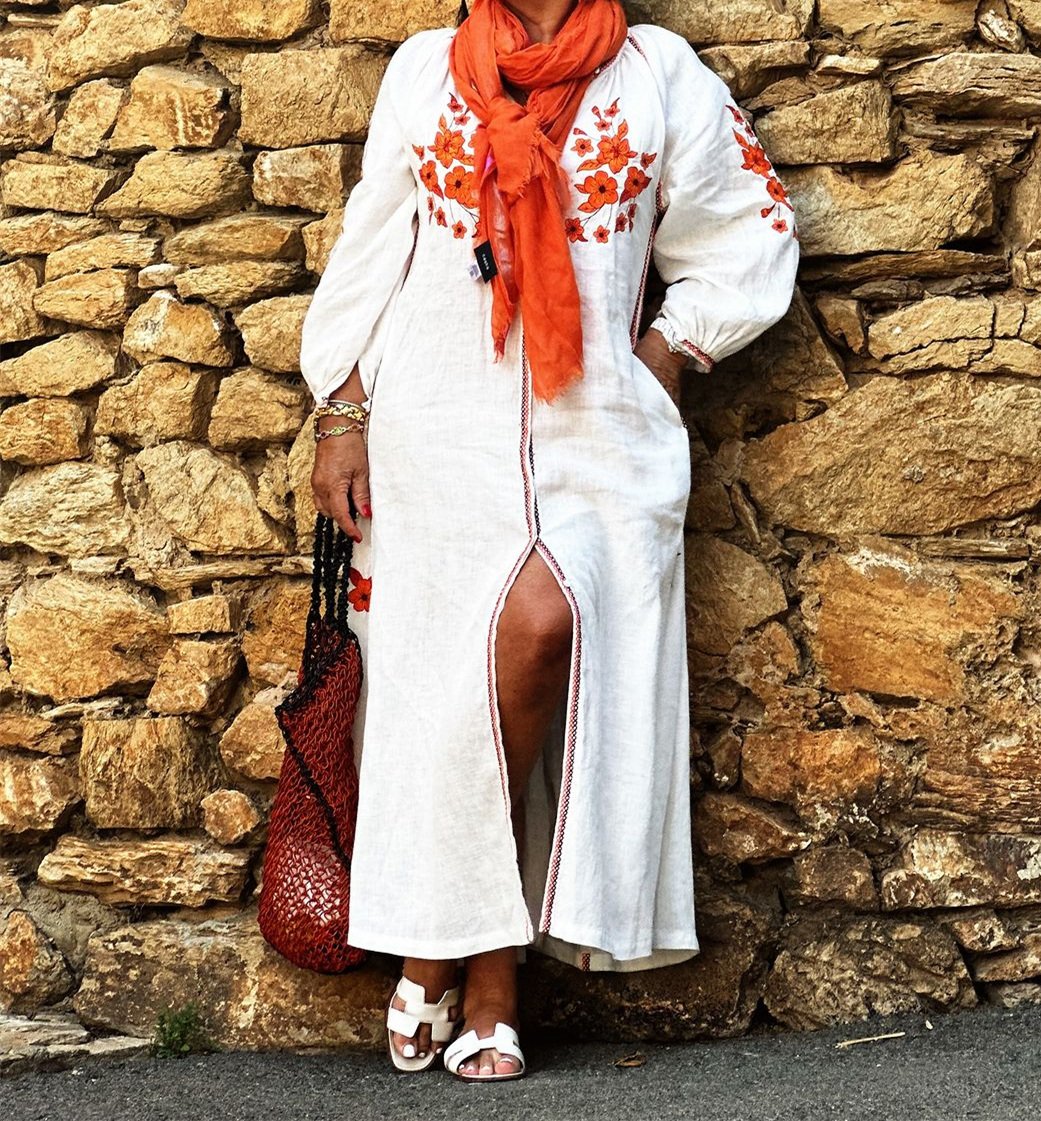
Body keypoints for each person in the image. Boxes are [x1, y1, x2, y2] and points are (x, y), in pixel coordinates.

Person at [298, 0, 799, 1082]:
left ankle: (435, 940)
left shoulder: (660, 74)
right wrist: (340, 410)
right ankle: (487, 972)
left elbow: (751, 229)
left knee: (540, 629)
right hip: (435, 419)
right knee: (439, 681)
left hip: (601, 424)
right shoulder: (426, 71)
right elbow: (373, 243)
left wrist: (668, 352)